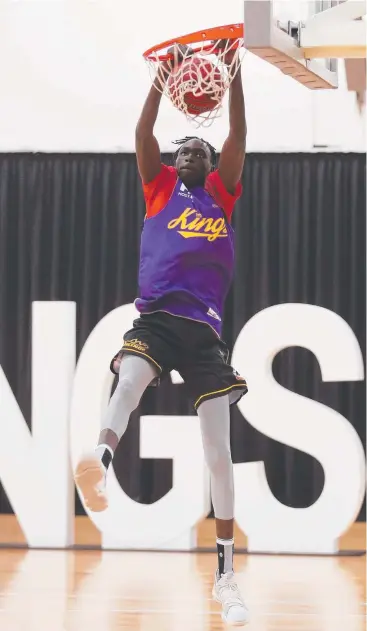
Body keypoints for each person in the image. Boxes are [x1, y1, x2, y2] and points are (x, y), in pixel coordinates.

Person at [75, 43, 249, 626]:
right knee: (127, 382)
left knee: (219, 453)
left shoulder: (221, 193)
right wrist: (162, 77)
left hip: (204, 333)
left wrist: (236, 71)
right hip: (156, 318)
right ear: (176, 162)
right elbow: (143, 131)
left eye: (201, 147)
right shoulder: (160, 186)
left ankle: (226, 575)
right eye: (187, 149)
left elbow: (238, 135)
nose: (194, 150)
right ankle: (99, 460)